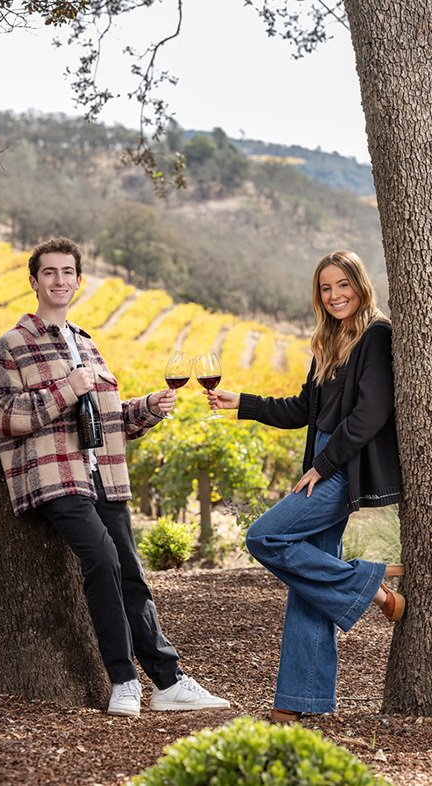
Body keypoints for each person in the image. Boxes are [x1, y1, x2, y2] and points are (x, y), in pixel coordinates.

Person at [0, 236, 230, 718]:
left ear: (79, 281)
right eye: (49, 273)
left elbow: (106, 417)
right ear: (33, 282)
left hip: (104, 476)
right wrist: (63, 390)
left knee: (133, 576)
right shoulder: (9, 346)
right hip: (55, 477)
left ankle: (168, 681)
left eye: (67, 273)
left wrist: (146, 409)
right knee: (102, 560)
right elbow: (1, 417)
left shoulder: (87, 343)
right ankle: (123, 680)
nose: (59, 281)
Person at [205, 250, 404, 722]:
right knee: (309, 587)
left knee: (264, 537)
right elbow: (303, 410)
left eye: (342, 285)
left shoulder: (376, 335)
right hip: (324, 458)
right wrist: (244, 403)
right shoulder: (330, 338)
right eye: (325, 287)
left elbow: (371, 414)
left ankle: (369, 583)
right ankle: (301, 702)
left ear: (359, 284)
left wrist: (324, 466)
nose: (334, 295)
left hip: (341, 465)